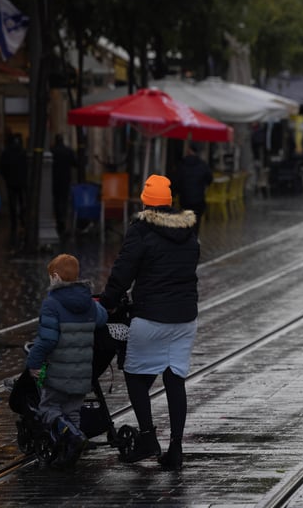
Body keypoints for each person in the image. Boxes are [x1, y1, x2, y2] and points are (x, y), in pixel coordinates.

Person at [99, 174, 199, 470]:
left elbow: (122, 272)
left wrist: (105, 303)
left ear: (146, 202)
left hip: (151, 315)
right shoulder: (188, 232)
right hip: (184, 318)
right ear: (169, 204)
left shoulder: (140, 231)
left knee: (133, 371)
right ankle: (176, 448)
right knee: (174, 378)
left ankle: (147, 436)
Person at [25, 254, 107, 467]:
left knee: (48, 408)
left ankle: (73, 438)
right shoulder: (88, 301)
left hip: (58, 372)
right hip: (82, 373)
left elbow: (47, 340)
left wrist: (33, 362)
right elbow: (102, 318)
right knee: (72, 410)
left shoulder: (52, 303)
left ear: (55, 277)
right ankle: (71, 451)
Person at [0, 134, 28, 245]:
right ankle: (22, 220)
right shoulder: (22, 151)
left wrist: (7, 177)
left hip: (11, 182)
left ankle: (15, 222)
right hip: (20, 182)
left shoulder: (7, 152)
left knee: (13, 203)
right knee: (21, 201)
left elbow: (2, 167)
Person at [173, 143, 212, 228]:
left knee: (186, 221)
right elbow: (209, 178)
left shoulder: (182, 164)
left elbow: (176, 181)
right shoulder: (202, 164)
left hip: (185, 199)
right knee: (196, 222)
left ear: (189, 151)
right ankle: (194, 237)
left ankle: (187, 237)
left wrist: (178, 191)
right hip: (199, 199)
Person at [51, 134, 77, 236]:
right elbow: (75, 163)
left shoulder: (52, 151)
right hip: (66, 180)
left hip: (55, 180)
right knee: (64, 200)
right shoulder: (68, 151)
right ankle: (63, 219)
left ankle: (59, 221)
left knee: (57, 201)